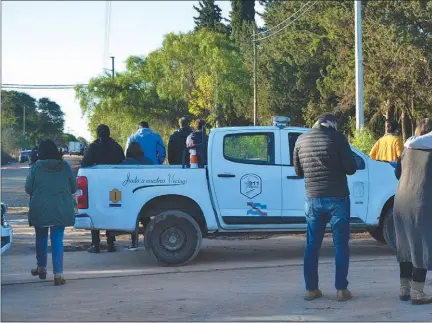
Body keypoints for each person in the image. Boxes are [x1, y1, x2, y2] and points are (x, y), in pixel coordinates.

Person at [293, 113, 356, 302]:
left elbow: (297, 171)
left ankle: (311, 289)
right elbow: (351, 168)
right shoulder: (338, 138)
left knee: (312, 245)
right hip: (337, 199)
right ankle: (341, 290)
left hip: (313, 199)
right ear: (332, 125)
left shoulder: (301, 140)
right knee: (340, 245)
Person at [25, 139, 77, 286]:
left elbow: (28, 188)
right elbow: (73, 188)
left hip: (40, 208)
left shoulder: (36, 167)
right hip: (61, 208)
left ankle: (41, 267)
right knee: (57, 239)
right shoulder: (65, 166)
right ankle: (58, 274)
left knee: (41, 237)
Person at [393, 118, 432, 305]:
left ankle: (404, 289)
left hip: (401, 200)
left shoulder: (408, 146)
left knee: (406, 245)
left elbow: (397, 173)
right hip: (421, 200)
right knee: (422, 245)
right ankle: (417, 292)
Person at [81, 124, 125, 253]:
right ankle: (111, 244)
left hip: (97, 185)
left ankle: (96, 245)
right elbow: (122, 162)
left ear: (97, 133)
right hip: (114, 185)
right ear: (109, 133)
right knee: (112, 210)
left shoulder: (94, 147)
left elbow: (84, 163)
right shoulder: (116, 146)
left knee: (95, 211)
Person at [120, 142, 153, 250]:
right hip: (146, 197)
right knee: (146, 220)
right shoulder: (149, 162)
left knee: (134, 221)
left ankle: (134, 243)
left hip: (131, 196)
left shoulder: (125, 163)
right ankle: (149, 241)